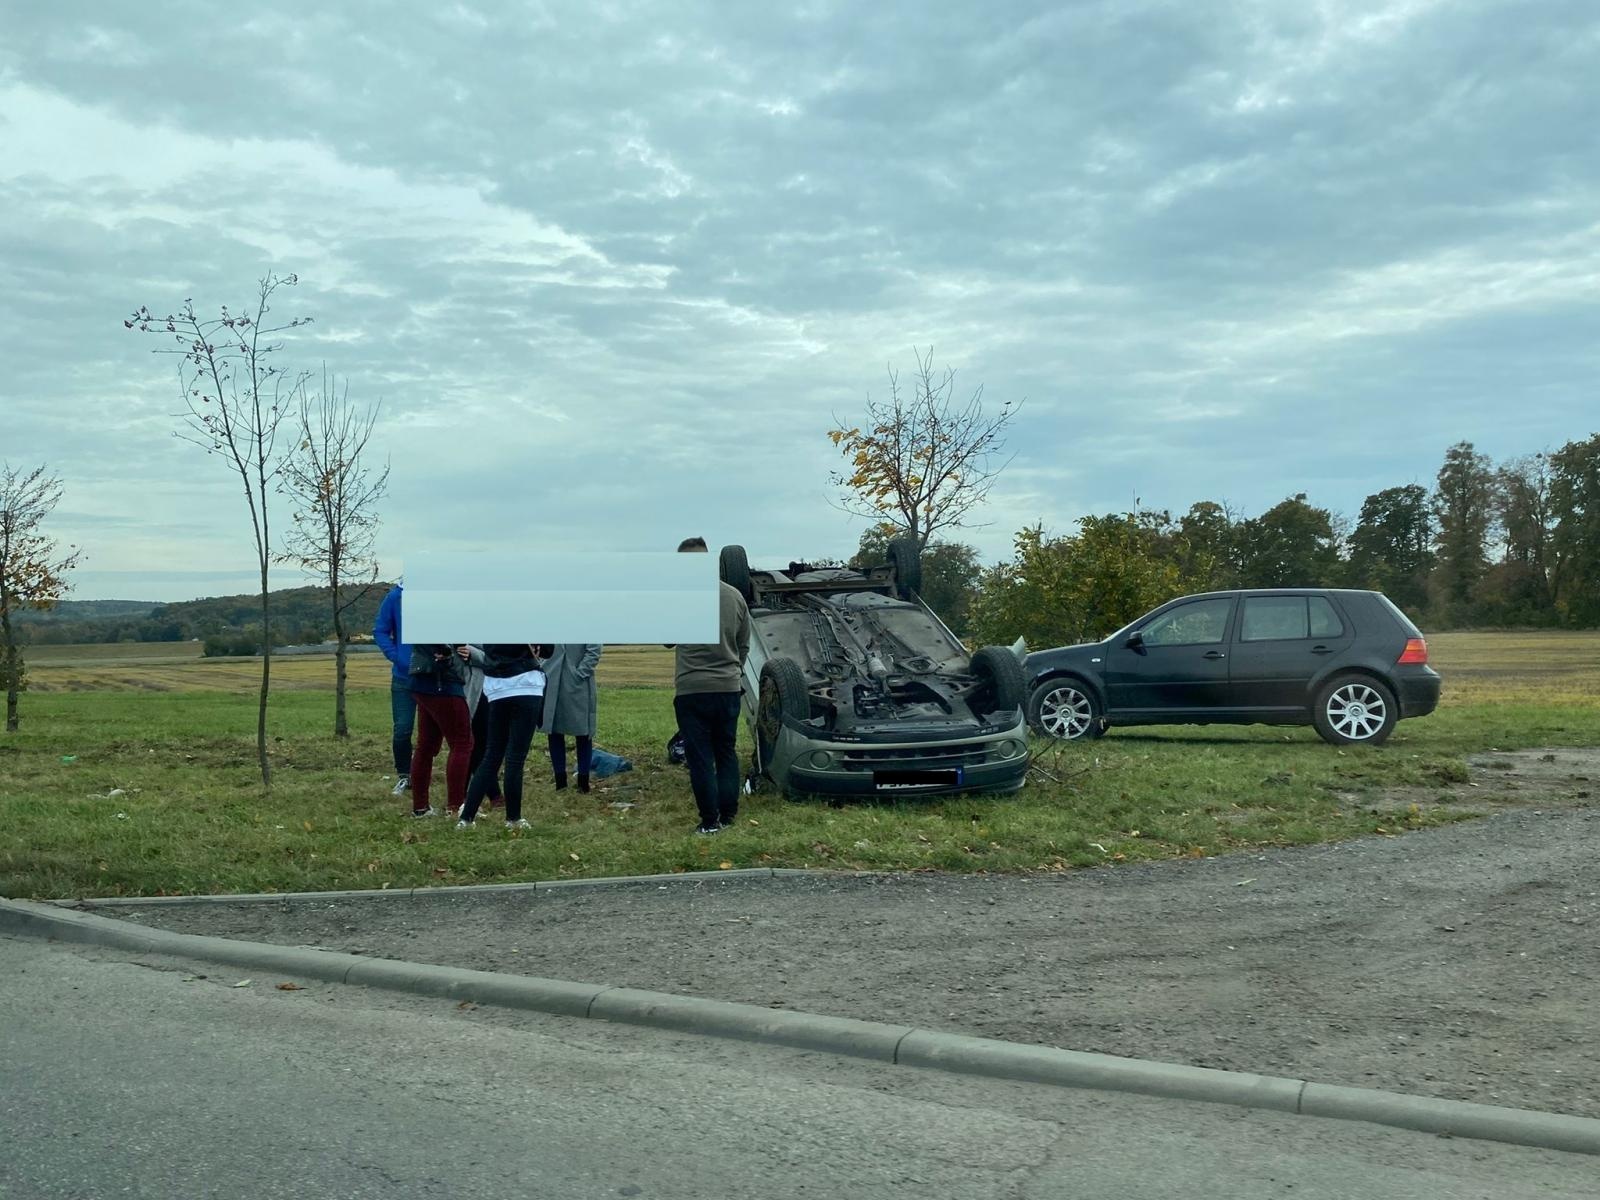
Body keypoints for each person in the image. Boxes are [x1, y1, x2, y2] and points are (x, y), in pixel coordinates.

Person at [669, 537, 751, 835]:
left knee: (700, 758)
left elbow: (666, 639)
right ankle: (729, 814)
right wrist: (733, 668)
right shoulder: (734, 596)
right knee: (726, 752)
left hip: (692, 688)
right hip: (728, 686)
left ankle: (709, 820)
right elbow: (744, 644)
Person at [457, 643, 552, 831]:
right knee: (515, 758)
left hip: (496, 687)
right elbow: (548, 650)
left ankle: (467, 818)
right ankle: (513, 818)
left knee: (491, 755)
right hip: (526, 684)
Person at [406, 643, 474, 817]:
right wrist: (451, 650)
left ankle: (420, 807)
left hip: (421, 681)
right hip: (443, 680)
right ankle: (456, 806)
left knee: (426, 746)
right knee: (462, 743)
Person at [372, 580, 415, 796]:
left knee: (442, 732)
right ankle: (404, 776)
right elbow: (380, 630)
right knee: (402, 729)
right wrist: (396, 657)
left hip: (436, 678)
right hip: (404, 677)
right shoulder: (395, 597)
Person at [541, 644, 603, 792]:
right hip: (552, 679)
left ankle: (583, 782)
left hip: (577, 684)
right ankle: (560, 782)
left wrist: (580, 673)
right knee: (554, 730)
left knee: (583, 732)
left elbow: (594, 651)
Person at [462, 644, 503, 811]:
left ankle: (464, 794)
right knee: (468, 743)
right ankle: (492, 794)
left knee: (479, 743)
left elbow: (494, 658)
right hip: (468, 688)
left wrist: (472, 653)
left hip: (485, 689)